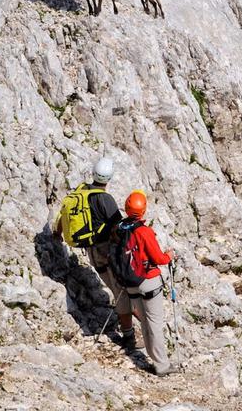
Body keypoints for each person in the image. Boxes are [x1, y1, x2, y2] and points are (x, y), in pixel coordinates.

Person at [53, 157, 136, 349]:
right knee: (121, 293)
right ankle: (129, 337)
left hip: (92, 251)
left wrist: (58, 233)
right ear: (109, 178)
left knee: (115, 287)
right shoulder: (106, 199)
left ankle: (132, 321)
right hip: (106, 251)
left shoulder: (81, 192)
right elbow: (118, 226)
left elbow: (64, 214)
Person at [113, 190, 175, 376]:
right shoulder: (144, 231)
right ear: (144, 210)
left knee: (145, 322)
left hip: (130, 283)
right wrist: (169, 255)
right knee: (154, 322)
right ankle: (162, 365)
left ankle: (153, 358)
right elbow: (158, 258)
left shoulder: (120, 229)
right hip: (148, 282)